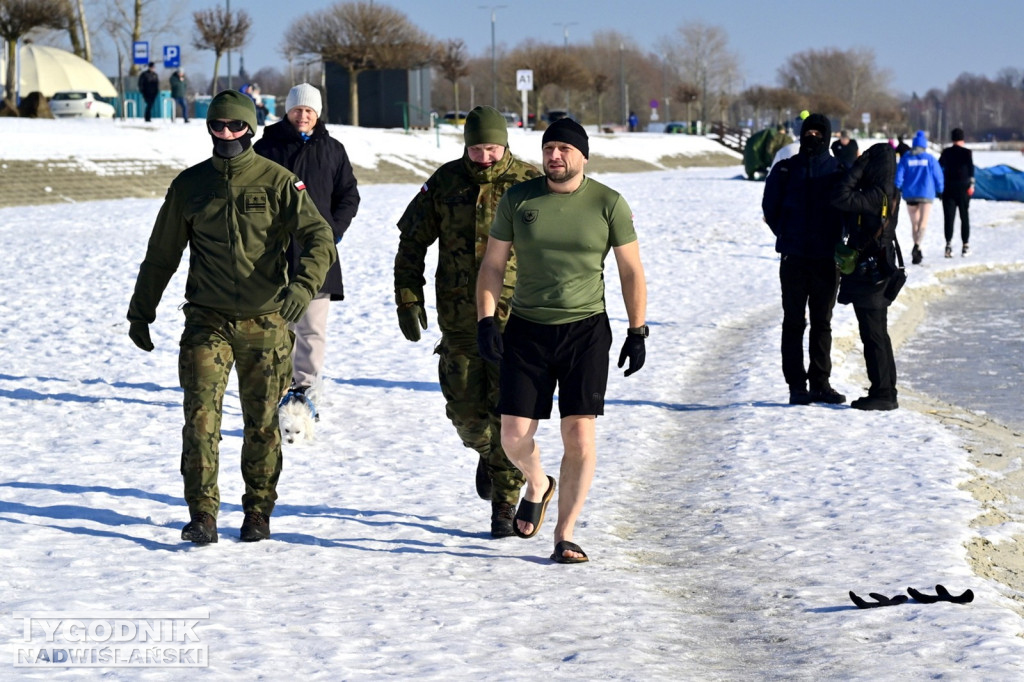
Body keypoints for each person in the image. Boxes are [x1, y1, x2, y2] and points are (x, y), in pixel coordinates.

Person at [126, 90, 337, 544]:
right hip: (209, 321)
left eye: (236, 125)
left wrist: (302, 287)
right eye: (217, 125)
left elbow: (320, 238)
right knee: (201, 420)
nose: (226, 133)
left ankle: (258, 511)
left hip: (266, 322)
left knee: (262, 422)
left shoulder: (279, 182)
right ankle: (202, 514)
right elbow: (161, 253)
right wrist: (141, 311)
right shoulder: (190, 185)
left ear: (251, 128)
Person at [475, 118, 648, 564]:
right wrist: (487, 320)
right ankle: (538, 483)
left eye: (564, 149)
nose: (555, 156)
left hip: (585, 331)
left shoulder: (608, 203)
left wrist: (637, 330)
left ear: (583, 156)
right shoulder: (519, 200)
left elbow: (631, 270)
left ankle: (565, 534)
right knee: (513, 436)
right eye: (549, 147)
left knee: (580, 437)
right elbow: (493, 264)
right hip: (527, 328)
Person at [394, 106, 541, 538]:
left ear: (505, 144)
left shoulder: (530, 183)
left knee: (508, 412)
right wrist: (407, 297)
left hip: (516, 317)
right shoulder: (445, 181)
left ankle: (505, 501)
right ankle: (488, 454)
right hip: (459, 317)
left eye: (492, 149)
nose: (484, 158)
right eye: (476, 149)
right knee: (465, 413)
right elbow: (411, 242)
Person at [255, 83, 360, 403]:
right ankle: (277, 384)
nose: (303, 115)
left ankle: (305, 386)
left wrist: (333, 232)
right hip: (272, 253)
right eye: (297, 109)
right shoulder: (266, 148)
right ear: (287, 110)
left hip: (316, 254)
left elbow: (348, 196)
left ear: (317, 114)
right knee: (275, 326)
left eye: (309, 110)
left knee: (312, 327)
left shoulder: (333, 149)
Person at [762, 113, 847, 406]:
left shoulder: (838, 170)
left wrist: (839, 237)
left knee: (822, 322)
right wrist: (786, 233)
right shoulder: (786, 169)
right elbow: (769, 207)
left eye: (818, 133)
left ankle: (821, 383)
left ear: (827, 136)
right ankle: (796, 385)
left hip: (827, 259)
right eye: (808, 132)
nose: (812, 137)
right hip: (794, 258)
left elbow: (849, 209)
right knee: (794, 322)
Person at [831, 143, 903, 411]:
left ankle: (883, 393)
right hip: (880, 266)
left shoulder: (875, 195)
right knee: (878, 333)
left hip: (871, 272)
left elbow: (840, 196)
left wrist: (857, 168)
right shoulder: (889, 191)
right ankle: (886, 390)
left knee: (873, 334)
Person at [895, 130, 944, 265]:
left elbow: (899, 175)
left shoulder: (906, 158)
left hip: (910, 194)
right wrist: (940, 190)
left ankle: (917, 248)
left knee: (914, 223)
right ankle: (917, 246)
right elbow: (938, 175)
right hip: (926, 194)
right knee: (923, 222)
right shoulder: (930, 159)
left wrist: (897, 187)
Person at [939, 127, 975, 258]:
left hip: (948, 189)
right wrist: (971, 185)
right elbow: (971, 170)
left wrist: (939, 185)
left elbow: (938, 167)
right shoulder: (967, 153)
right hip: (963, 189)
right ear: (962, 139)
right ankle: (965, 246)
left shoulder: (946, 152)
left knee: (949, 218)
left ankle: (948, 246)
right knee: (964, 217)